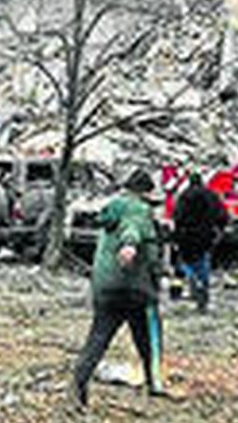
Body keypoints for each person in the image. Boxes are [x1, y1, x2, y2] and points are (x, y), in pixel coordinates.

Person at [71, 168, 166, 408]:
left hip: (105, 287)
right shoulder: (138, 209)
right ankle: (154, 383)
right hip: (134, 288)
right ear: (144, 193)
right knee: (148, 337)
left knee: (98, 337)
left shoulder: (113, 207)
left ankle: (78, 384)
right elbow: (131, 230)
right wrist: (130, 247)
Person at [171, 171, 228, 312]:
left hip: (186, 236)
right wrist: (219, 230)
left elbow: (177, 216)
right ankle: (203, 290)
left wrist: (176, 235)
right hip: (205, 236)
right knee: (203, 263)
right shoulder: (211, 195)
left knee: (186, 263)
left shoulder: (183, 196)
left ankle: (192, 283)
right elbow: (223, 215)